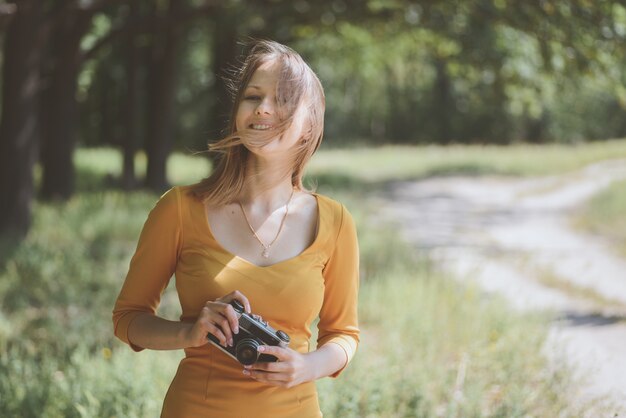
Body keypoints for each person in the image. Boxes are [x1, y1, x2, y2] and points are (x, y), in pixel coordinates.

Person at [112, 39, 360, 418]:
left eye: (281, 99)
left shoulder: (335, 222)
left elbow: (344, 335)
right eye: (253, 96)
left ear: (310, 124)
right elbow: (128, 318)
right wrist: (189, 332)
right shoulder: (179, 209)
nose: (262, 108)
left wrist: (307, 366)